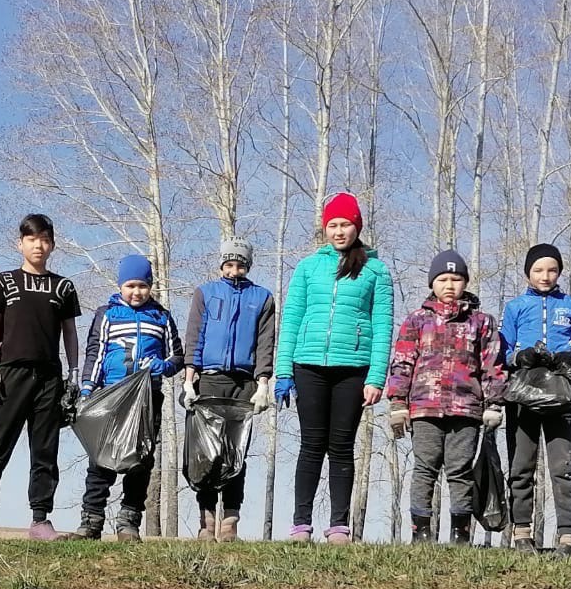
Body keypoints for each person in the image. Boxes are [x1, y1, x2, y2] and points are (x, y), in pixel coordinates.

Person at [273, 193, 394, 543]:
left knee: (341, 446)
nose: (339, 231)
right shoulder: (308, 267)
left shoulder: (376, 270)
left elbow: (383, 326)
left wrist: (376, 377)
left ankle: (339, 524)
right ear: (325, 229)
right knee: (311, 445)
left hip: (353, 369)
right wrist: (284, 371)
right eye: (333, 225)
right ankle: (301, 523)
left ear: (357, 227)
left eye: (345, 224)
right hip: (308, 365)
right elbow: (291, 319)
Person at [0, 214, 81, 541]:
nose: (38, 245)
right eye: (31, 239)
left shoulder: (63, 287)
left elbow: (70, 333)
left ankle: (40, 519)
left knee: (45, 450)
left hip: (49, 377)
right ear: (20, 243)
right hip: (10, 373)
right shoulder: (3, 283)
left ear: (52, 245)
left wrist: (74, 373)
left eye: (44, 239)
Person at [385, 250, 506, 545]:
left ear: (465, 282)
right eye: (443, 279)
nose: (449, 285)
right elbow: (402, 362)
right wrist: (398, 402)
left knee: (460, 470)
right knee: (425, 468)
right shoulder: (416, 320)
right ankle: (421, 531)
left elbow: (492, 364)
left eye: (456, 279)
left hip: (466, 410)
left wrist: (494, 403)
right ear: (432, 283)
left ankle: (460, 533)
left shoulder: (482, 322)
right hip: (424, 408)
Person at [70, 254, 184, 542]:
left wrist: (163, 366)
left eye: (143, 286)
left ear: (150, 286)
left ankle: (129, 521)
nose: (137, 292)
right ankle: (91, 520)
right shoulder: (107, 314)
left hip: (146, 399)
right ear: (120, 286)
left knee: (140, 459)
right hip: (112, 395)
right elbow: (95, 352)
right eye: (131, 286)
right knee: (101, 458)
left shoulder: (161, 317)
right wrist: (87, 388)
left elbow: (177, 357)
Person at [499, 242, 571, 556]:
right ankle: (521, 533)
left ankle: (567, 537)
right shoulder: (515, 307)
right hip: (522, 392)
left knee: (563, 465)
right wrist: (519, 357)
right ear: (527, 272)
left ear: (559, 272)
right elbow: (501, 351)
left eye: (552, 270)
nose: (545, 276)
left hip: (561, 393)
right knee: (520, 465)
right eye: (538, 270)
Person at [181, 237, 276, 541]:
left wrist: (263, 383)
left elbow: (265, 343)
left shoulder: (262, 298)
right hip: (209, 380)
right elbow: (194, 336)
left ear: (248, 266)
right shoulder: (205, 293)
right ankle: (207, 518)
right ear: (222, 264)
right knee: (205, 453)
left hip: (243, 384)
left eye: (240, 266)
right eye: (230, 264)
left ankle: (231, 518)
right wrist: (189, 379)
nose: (234, 271)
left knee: (235, 453)